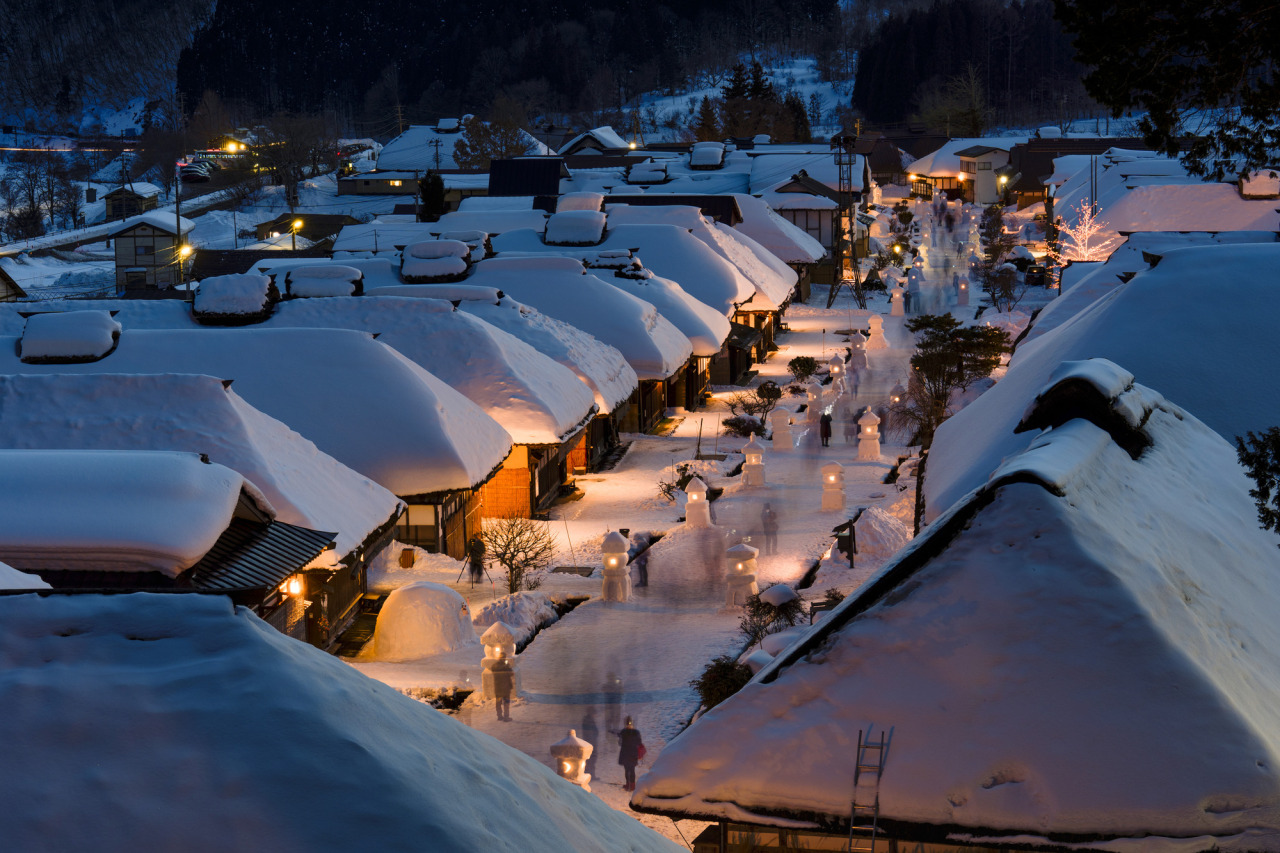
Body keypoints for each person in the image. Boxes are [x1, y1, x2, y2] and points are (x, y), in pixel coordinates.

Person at [617, 717, 645, 792]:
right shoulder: (636, 732)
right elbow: (639, 742)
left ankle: (628, 784)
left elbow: (620, 743)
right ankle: (632, 785)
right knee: (632, 770)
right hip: (633, 754)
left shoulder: (623, 732)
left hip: (625, 754)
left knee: (627, 770)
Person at [491, 656, 514, 722]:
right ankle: (506, 717)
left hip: (498, 688)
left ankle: (499, 716)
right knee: (506, 703)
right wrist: (507, 666)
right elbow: (511, 674)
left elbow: (493, 670)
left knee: (498, 703)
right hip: (506, 688)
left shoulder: (494, 666)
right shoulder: (506, 666)